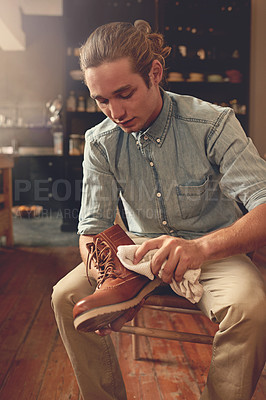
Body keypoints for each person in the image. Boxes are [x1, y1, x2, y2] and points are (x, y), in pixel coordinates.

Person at [52, 20, 266, 400]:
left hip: (213, 249)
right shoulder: (99, 141)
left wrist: (199, 249)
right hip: (136, 254)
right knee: (63, 296)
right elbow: (91, 229)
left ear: (155, 72)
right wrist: (112, 281)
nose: (115, 112)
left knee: (251, 307)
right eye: (102, 100)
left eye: (125, 93)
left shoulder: (213, 123)